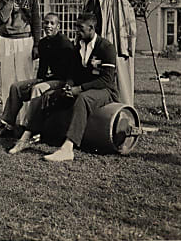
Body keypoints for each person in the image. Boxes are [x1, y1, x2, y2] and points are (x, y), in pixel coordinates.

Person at [9, 12, 117, 162]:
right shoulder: (78, 45)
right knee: (47, 96)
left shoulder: (106, 47)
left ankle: (67, 148)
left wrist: (79, 89)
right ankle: (26, 137)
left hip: (104, 91)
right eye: (76, 27)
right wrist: (68, 86)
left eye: (81, 27)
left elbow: (106, 79)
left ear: (92, 28)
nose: (76, 30)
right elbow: (73, 73)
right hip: (82, 87)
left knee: (82, 99)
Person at [0, 12, 76, 137]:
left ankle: (30, 129)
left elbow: (69, 71)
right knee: (15, 87)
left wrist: (61, 84)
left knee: (37, 89)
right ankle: (9, 126)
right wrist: (39, 80)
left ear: (58, 26)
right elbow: (42, 68)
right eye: (46, 23)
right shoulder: (43, 43)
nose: (48, 26)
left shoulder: (64, 43)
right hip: (46, 80)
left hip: (61, 81)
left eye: (52, 23)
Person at [82, 0, 137, 105]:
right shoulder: (90, 2)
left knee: (120, 86)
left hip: (115, 49)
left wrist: (124, 49)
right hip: (96, 50)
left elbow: (128, 25)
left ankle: (126, 120)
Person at [0, 0, 41, 107]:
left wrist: (36, 44)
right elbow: (3, 17)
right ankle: (7, 119)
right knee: (7, 80)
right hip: (7, 40)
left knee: (25, 80)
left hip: (25, 40)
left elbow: (36, 21)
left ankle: (25, 119)